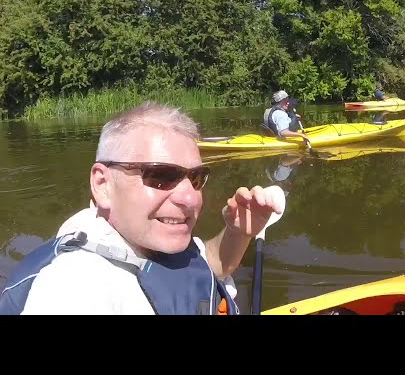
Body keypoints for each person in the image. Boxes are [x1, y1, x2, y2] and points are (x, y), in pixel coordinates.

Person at [0, 101, 287, 315]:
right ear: (103, 184)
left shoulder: (146, 238)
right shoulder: (74, 287)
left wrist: (238, 233)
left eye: (197, 178)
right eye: (161, 176)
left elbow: (209, 264)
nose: (191, 198)